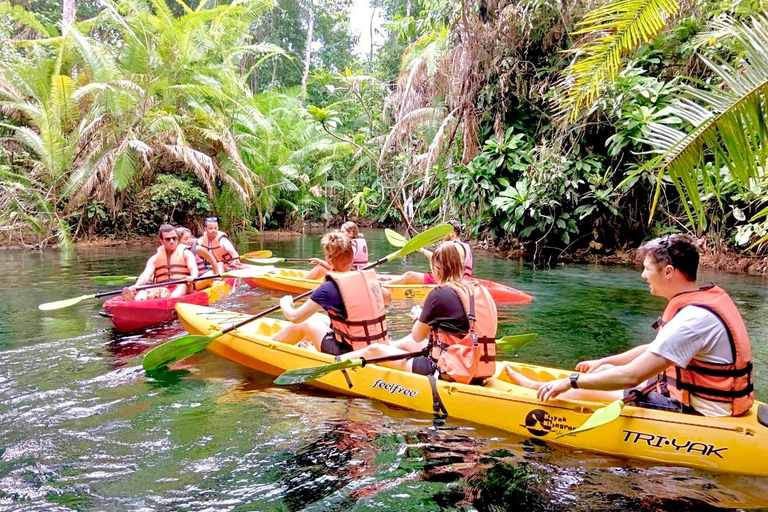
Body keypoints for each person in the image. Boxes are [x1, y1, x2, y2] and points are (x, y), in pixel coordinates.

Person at [505, 234, 754, 417]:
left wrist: (570, 382)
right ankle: (540, 386)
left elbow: (631, 375)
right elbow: (657, 347)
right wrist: (606, 361)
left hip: (703, 410)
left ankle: (538, 392)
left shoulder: (692, 320)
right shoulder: (702, 303)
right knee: (601, 374)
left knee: (582, 391)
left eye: (646, 269)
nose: (643, 276)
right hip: (707, 399)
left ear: (668, 272)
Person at [339, 242, 497, 385]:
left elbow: (417, 335)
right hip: (479, 367)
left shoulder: (439, 294)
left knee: (374, 351)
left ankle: (331, 363)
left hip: (450, 370)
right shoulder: (481, 291)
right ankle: (384, 347)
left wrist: (419, 317)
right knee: (408, 342)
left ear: (438, 271)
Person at [274, 232, 392, 355]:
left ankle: (270, 348)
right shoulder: (367, 279)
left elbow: (295, 317)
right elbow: (388, 298)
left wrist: (285, 304)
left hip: (349, 353)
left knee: (306, 321)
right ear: (352, 258)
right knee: (316, 318)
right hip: (375, 345)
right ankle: (303, 346)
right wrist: (375, 284)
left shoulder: (328, 289)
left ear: (328, 260)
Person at [122, 224, 198, 301]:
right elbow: (146, 274)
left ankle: (170, 300)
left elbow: (192, 268)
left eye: (174, 238)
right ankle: (136, 302)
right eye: (168, 239)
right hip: (162, 288)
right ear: (161, 241)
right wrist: (137, 285)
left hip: (184, 285)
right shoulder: (154, 259)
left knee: (183, 285)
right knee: (143, 289)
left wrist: (193, 276)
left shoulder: (186, 253)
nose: (172, 241)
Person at [387, 220, 472, 285]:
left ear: (452, 234)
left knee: (409, 275)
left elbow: (438, 261)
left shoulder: (452, 246)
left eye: (444, 234)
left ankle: (384, 287)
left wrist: (422, 250)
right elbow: (441, 260)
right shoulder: (465, 246)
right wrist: (422, 250)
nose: (442, 236)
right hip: (461, 280)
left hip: (450, 281)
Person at [305, 223, 369, 280]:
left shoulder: (349, 247)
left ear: (350, 233)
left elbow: (336, 267)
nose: (340, 234)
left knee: (320, 267)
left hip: (350, 274)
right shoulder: (358, 242)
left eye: (342, 232)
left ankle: (303, 281)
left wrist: (318, 260)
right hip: (358, 273)